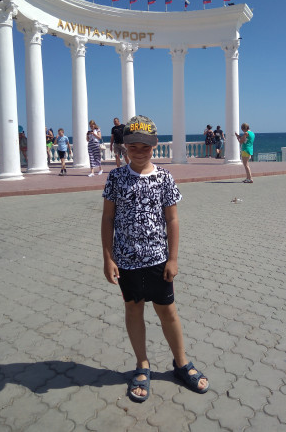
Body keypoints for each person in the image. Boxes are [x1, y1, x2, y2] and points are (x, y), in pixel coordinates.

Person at [101, 115, 209, 403]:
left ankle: (181, 363)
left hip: (158, 260)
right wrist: (108, 258)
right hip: (126, 261)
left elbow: (172, 220)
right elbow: (108, 218)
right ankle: (142, 364)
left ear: (155, 145)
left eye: (145, 147)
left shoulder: (164, 177)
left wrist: (173, 259)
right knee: (133, 309)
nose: (139, 152)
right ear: (124, 147)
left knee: (167, 312)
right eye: (133, 146)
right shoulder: (116, 177)